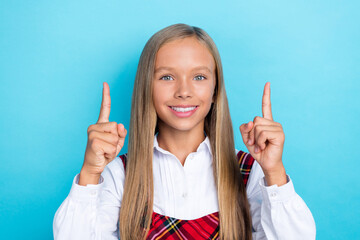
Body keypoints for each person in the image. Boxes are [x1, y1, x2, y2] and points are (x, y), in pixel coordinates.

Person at [53, 23, 316, 240]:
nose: (184, 91)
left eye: (199, 77)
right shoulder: (120, 175)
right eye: (167, 77)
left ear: (215, 90)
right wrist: (89, 173)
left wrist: (274, 171)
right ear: (148, 87)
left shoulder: (249, 172)